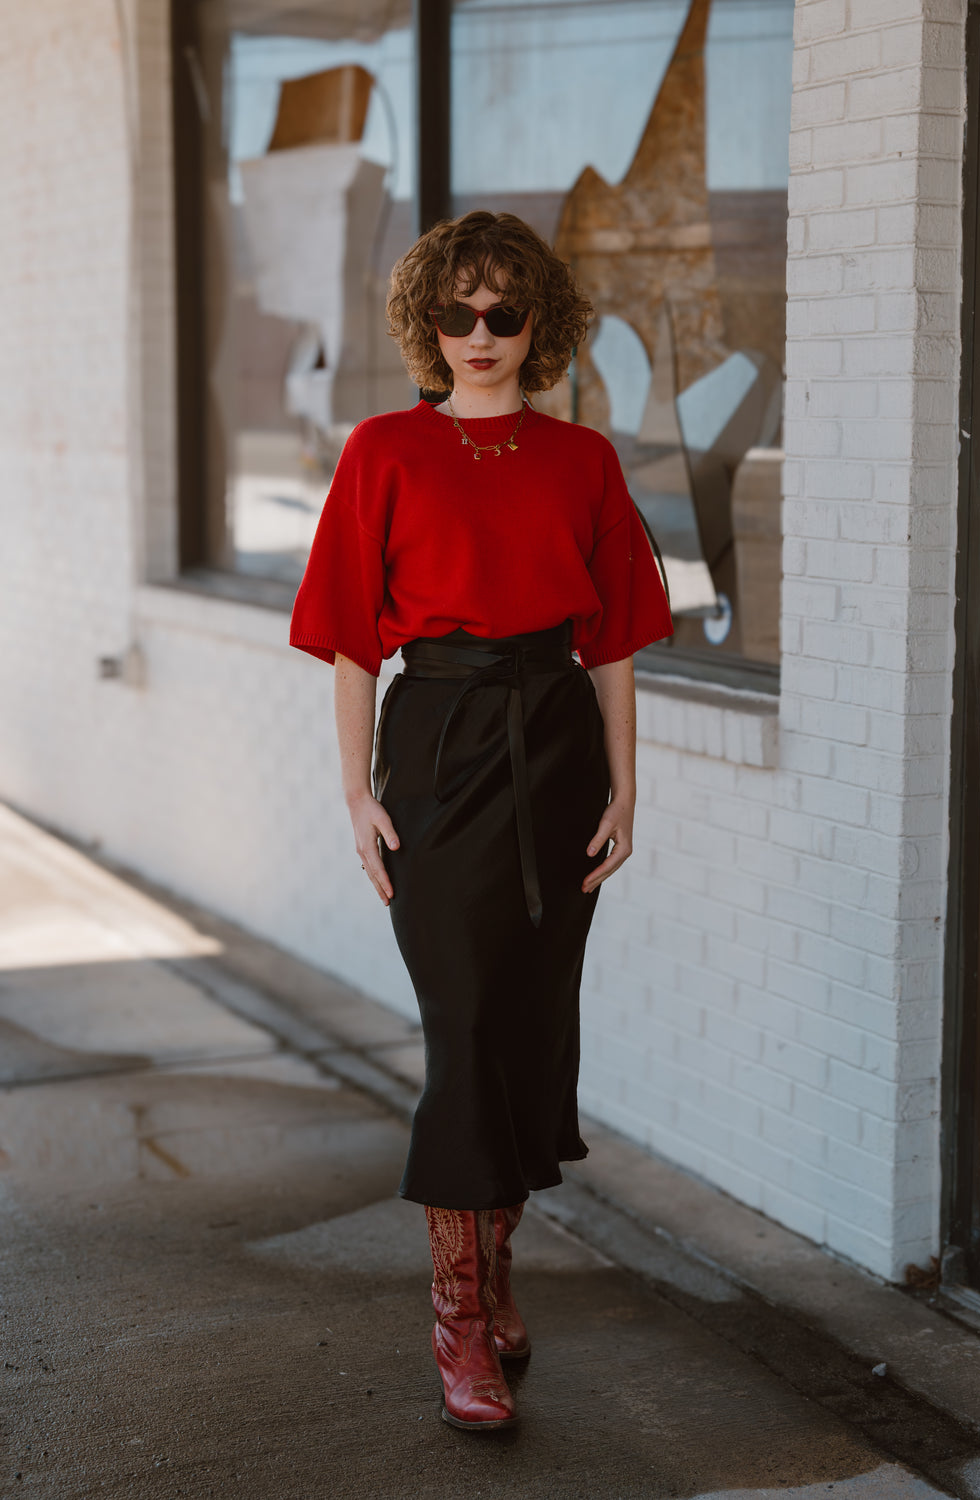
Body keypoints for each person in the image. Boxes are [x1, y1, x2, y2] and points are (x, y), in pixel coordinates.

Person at [289, 211, 674, 1431]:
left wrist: (625, 787)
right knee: (461, 1024)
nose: (481, 333)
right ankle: (457, 1315)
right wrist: (356, 793)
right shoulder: (382, 451)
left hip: (556, 749)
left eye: (506, 311)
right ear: (426, 323)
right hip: (439, 752)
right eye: (456, 312)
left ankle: (495, 1266)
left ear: (539, 323)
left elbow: (614, 646)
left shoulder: (584, 462)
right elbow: (354, 642)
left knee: (528, 1026)